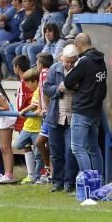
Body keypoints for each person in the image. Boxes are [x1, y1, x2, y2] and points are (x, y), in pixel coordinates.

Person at [61, 33, 108, 176]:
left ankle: (88, 181)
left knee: (78, 148)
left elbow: (68, 81)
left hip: (82, 110)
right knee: (93, 147)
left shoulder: (85, 61)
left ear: (78, 46)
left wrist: (76, 84)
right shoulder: (100, 60)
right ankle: (98, 181)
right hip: (95, 110)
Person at [44, 45, 79, 193]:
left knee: (70, 152)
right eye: (67, 61)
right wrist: (58, 89)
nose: (69, 64)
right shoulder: (54, 69)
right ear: (62, 58)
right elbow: (46, 88)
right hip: (55, 117)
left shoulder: (79, 70)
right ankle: (57, 182)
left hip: (72, 117)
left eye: (72, 61)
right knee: (55, 151)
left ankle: (69, 183)